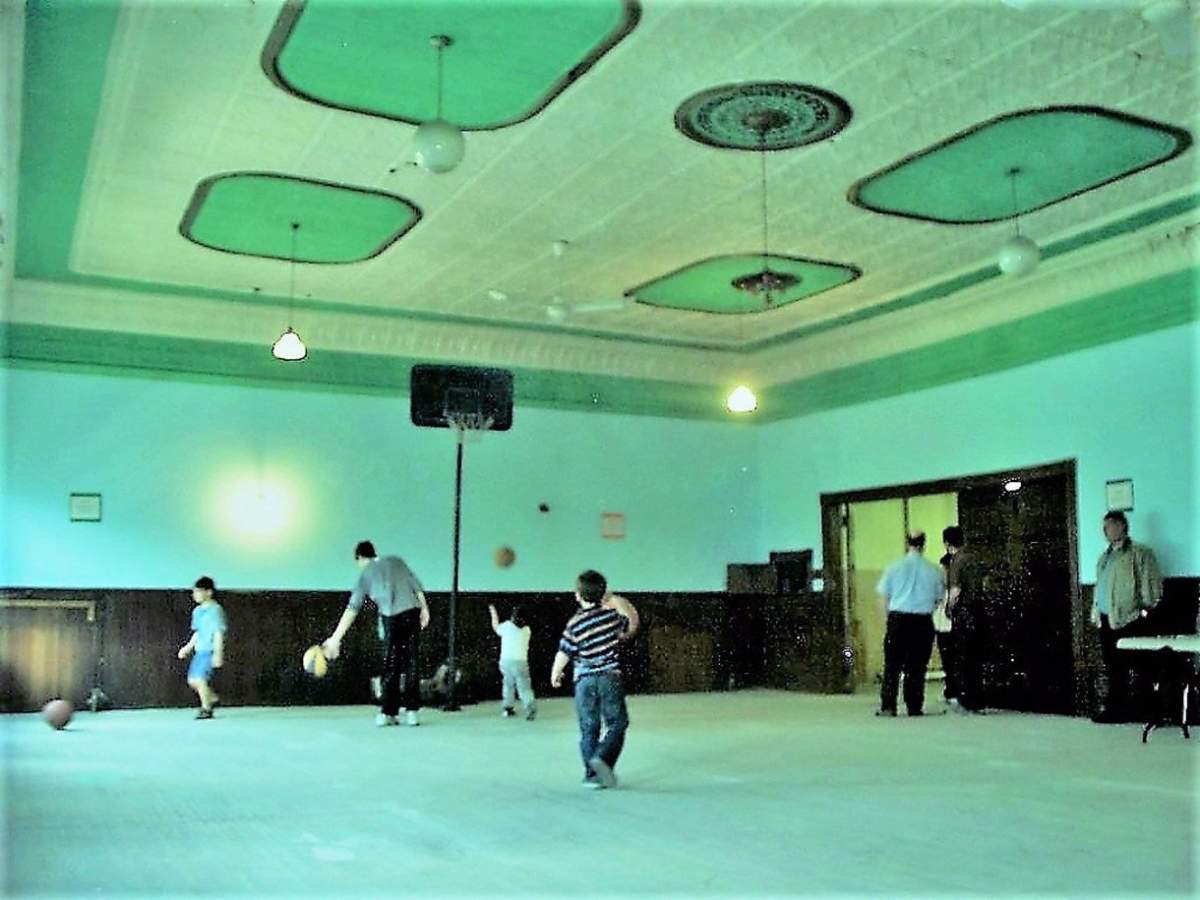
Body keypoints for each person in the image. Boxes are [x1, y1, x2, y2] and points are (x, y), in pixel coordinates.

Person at [323, 541, 430, 727]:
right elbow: (416, 585)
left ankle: (388, 712)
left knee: (391, 664)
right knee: (412, 662)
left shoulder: (365, 573)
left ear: (360, 558)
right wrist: (425, 608)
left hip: (392, 617)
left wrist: (335, 639)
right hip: (412, 612)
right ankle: (412, 713)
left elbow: (352, 608)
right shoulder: (397, 561)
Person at [550, 570, 639, 789]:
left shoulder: (574, 623)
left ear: (577, 595)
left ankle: (592, 774)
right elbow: (630, 625)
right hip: (610, 677)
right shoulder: (611, 618)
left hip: (584, 680)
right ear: (602, 595)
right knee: (617, 723)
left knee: (589, 728)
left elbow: (564, 652)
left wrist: (555, 673)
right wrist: (616, 600)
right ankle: (602, 758)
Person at [1090, 511, 1163, 722]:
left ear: (1123, 526)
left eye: (1112, 526)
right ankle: (1116, 710)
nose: (1108, 531)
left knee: (1141, 666)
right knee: (1113, 667)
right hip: (1107, 618)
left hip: (1131, 618)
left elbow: (1151, 588)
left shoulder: (1140, 553)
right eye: (1105, 527)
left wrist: (1144, 612)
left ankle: (1148, 711)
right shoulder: (1104, 558)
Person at [875, 532, 943, 717]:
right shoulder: (934, 570)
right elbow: (938, 599)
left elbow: (884, 597)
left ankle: (888, 707)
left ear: (907, 544)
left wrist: (888, 621)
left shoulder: (893, 567)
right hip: (922, 621)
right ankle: (914, 706)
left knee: (892, 665)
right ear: (924, 544)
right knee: (917, 666)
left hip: (898, 620)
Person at [943, 525, 985, 714]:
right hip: (978, 611)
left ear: (947, 543)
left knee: (962, 657)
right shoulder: (975, 558)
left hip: (964, 613)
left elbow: (955, 590)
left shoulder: (957, 561)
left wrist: (949, 608)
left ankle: (967, 700)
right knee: (976, 657)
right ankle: (978, 700)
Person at [177, 576, 226, 720]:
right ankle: (212, 698)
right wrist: (187, 647)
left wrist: (218, 653)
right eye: (194, 592)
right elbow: (197, 633)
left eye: (198, 592)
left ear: (209, 592)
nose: (195, 595)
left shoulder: (215, 610)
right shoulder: (197, 611)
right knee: (192, 681)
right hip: (199, 650)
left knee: (200, 679)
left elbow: (218, 633)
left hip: (210, 650)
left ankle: (206, 709)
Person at [489, 603, 536, 720]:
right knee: (524, 687)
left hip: (506, 661)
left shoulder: (506, 626)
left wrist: (493, 612)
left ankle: (508, 708)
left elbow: (495, 627)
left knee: (508, 684)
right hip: (521, 662)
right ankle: (530, 708)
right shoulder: (527, 630)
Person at [934, 549, 958, 709]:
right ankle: (951, 690)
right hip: (942, 625)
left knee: (951, 660)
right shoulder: (942, 588)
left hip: (948, 626)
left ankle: (953, 691)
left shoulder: (953, 588)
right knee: (948, 660)